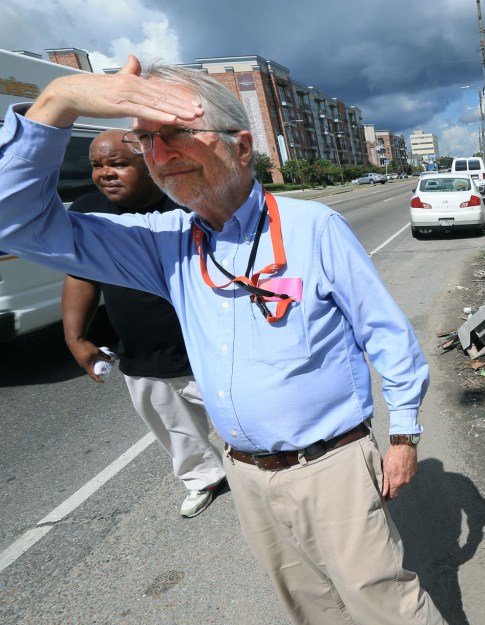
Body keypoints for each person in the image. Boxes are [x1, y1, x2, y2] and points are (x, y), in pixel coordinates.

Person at [0, 56, 447, 625]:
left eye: (177, 133)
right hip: (247, 475)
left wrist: (405, 433)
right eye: (146, 141)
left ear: (240, 147)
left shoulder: (313, 228)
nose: (159, 156)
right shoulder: (163, 243)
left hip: (330, 466)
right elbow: (14, 222)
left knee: (388, 607)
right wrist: (58, 99)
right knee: (311, 610)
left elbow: (385, 333)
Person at [62, 129, 226, 518]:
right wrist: (75, 336)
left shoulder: (188, 205)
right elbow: (79, 275)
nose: (106, 173)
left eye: (118, 164)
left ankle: (273, 476)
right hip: (141, 352)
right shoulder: (86, 211)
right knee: (174, 428)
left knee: (252, 420)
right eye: (97, 166)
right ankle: (204, 478)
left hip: (207, 347)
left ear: (149, 165)